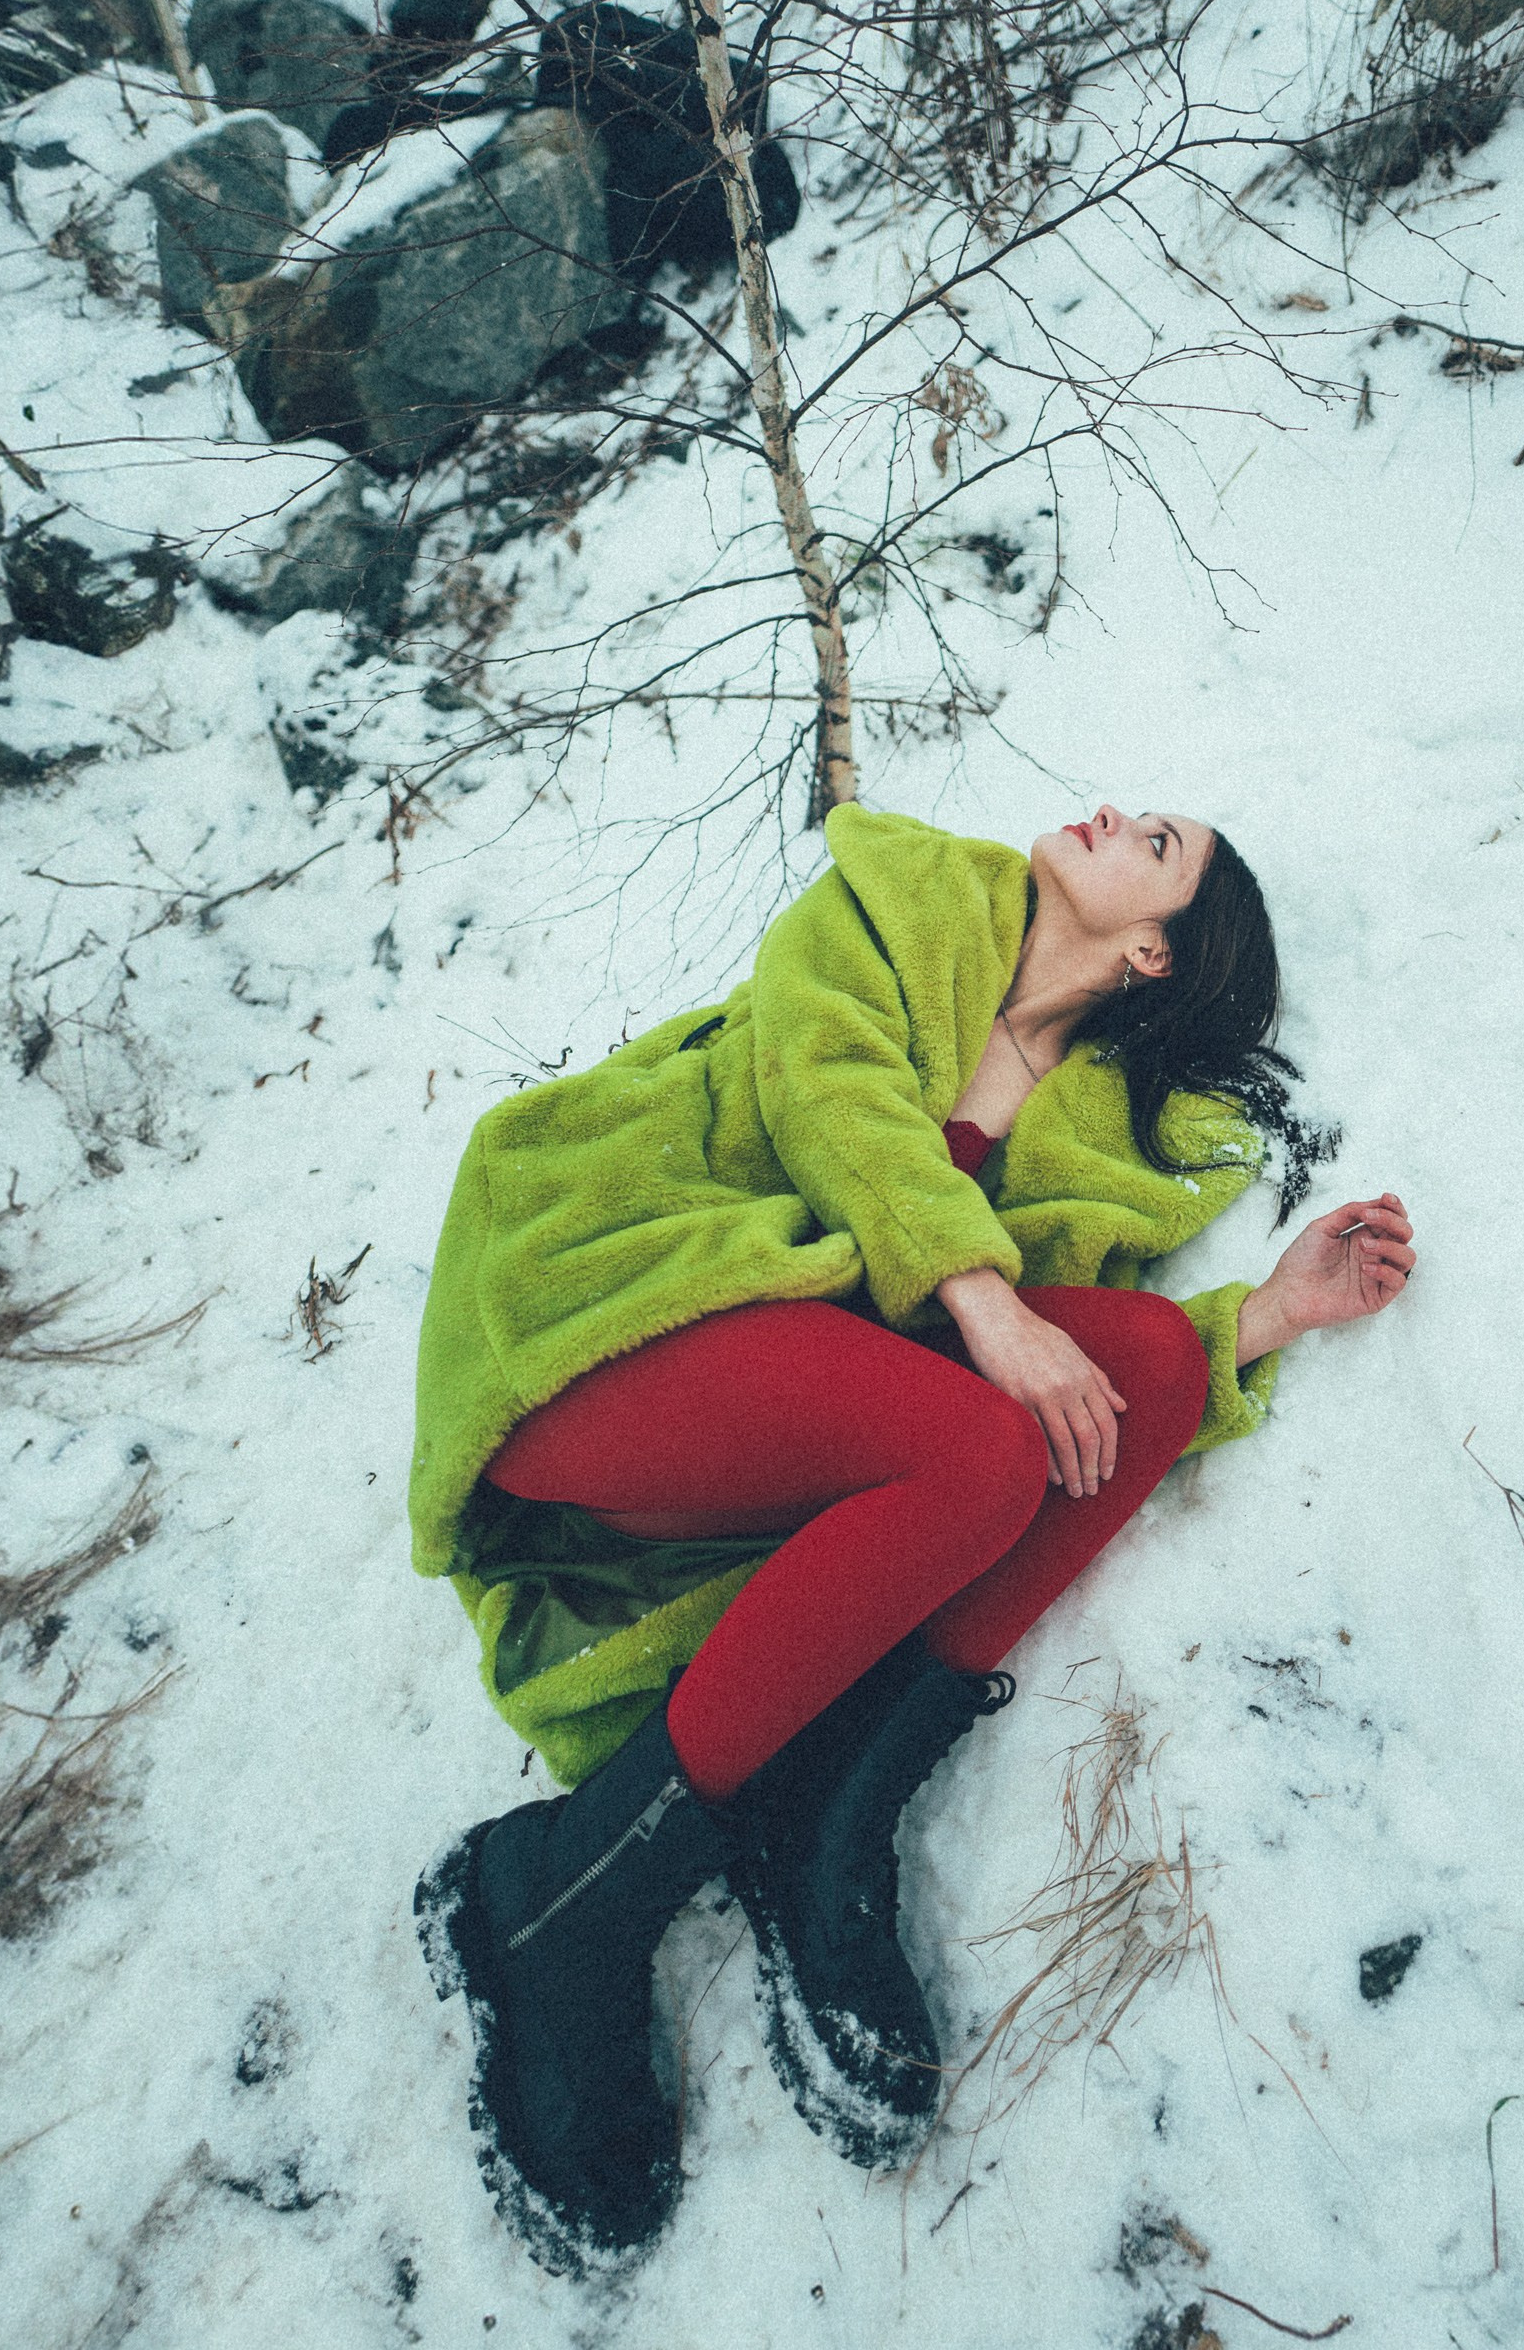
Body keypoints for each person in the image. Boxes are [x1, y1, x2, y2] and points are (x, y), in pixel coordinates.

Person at [407, 802, 1414, 2268]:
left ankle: (831, 1798)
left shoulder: (1093, 1118)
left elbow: (1078, 1384)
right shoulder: (898, 904)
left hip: (804, 1415)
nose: (1115, 813)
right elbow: (824, 1091)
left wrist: (1266, 1315)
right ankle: (562, 1898)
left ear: (1152, 949)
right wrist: (982, 1298)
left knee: (1133, 1362)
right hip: (611, 1310)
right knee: (979, 1440)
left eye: (1158, 844)